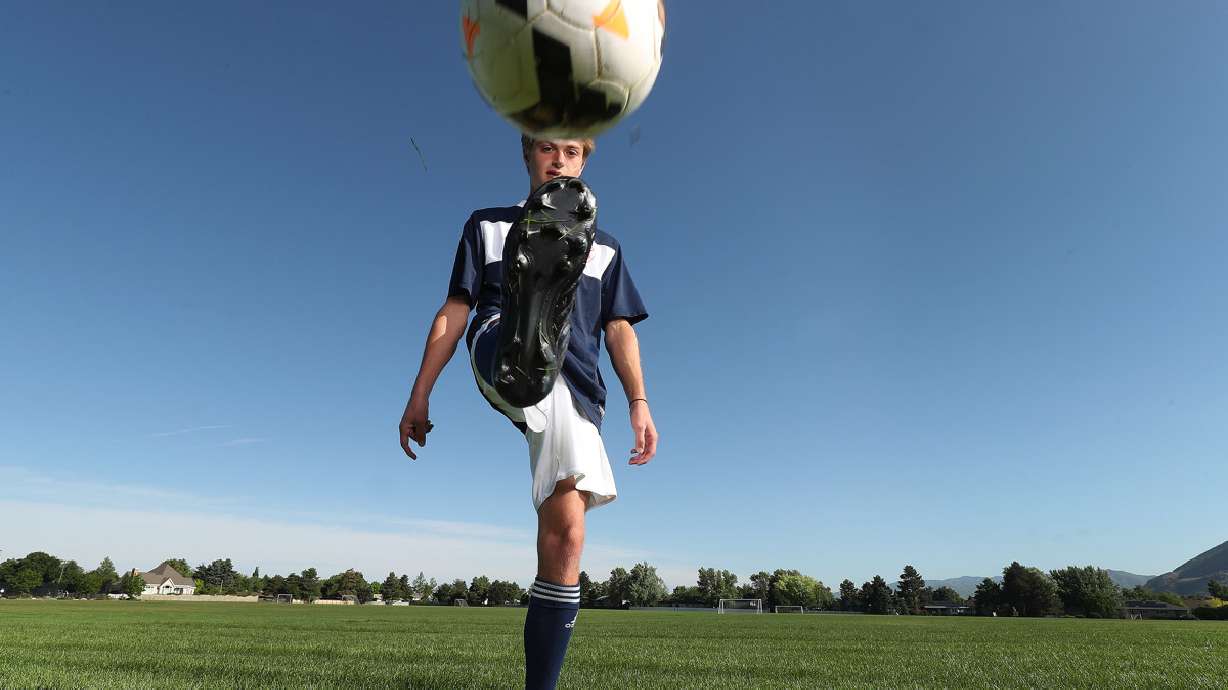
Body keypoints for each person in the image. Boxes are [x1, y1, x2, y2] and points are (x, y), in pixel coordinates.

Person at [398, 135, 658, 689]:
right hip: (497, 351)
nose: (558, 159)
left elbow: (618, 330)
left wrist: (639, 400)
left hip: (579, 388)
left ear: (584, 161)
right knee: (514, 348)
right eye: (546, 148)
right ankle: (526, 324)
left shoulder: (607, 247)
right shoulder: (488, 224)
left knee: (567, 538)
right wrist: (421, 391)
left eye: (571, 151)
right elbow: (455, 311)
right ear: (527, 156)